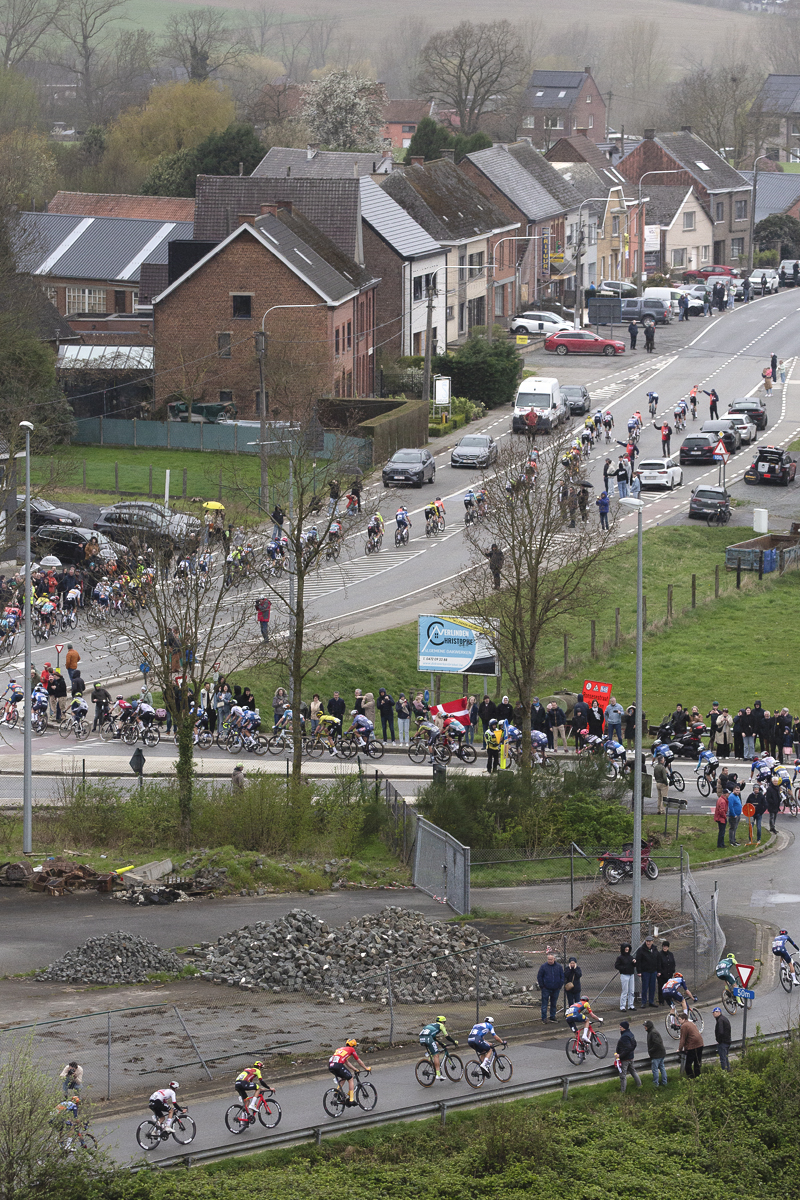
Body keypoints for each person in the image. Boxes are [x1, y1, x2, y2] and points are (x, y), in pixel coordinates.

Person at [328, 1040, 370, 1106]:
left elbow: (347, 1062)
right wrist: (366, 1068)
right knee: (350, 1078)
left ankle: (337, 1092)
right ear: (353, 1045)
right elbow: (358, 1060)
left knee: (343, 1077)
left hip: (331, 1066)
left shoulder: (340, 1049)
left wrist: (355, 1069)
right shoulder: (351, 1049)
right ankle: (351, 1100)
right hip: (338, 1065)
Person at [418, 1015, 458, 1081]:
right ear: (442, 1022)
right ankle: (438, 1074)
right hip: (428, 1038)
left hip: (421, 1038)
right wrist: (454, 1041)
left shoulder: (432, 1025)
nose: (444, 1024)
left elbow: (433, 1038)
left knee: (433, 1050)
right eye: (444, 1022)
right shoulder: (441, 1026)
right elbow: (447, 1036)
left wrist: (441, 1044)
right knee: (436, 1055)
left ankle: (431, 1063)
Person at [537, 951, 565, 1023]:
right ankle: (544, 1018)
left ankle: (552, 1016)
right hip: (546, 988)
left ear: (554, 959)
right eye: (548, 959)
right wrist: (542, 986)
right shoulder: (543, 966)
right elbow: (539, 976)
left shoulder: (558, 967)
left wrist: (560, 985)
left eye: (551, 959)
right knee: (544, 1004)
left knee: (554, 1003)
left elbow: (562, 976)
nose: (550, 961)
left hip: (556, 988)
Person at [615, 1021, 642, 1092]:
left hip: (625, 1059)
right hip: (631, 1057)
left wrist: (620, 1055)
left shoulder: (625, 1037)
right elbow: (634, 1044)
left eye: (620, 1027)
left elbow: (627, 1048)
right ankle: (639, 1085)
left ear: (624, 1028)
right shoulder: (630, 1034)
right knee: (633, 1071)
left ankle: (622, 1091)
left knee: (622, 1076)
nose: (619, 1028)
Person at [635, 935, 659, 1007]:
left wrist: (658, 970)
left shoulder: (655, 949)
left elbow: (658, 960)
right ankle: (644, 1002)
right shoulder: (641, 950)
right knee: (645, 987)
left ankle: (651, 1001)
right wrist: (639, 971)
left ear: (652, 942)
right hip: (645, 971)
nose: (648, 943)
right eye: (647, 941)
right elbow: (638, 961)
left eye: (649, 941)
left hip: (653, 971)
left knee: (652, 987)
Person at [679, 1013, 704, 1078]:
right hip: (700, 1044)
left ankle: (691, 1078)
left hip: (693, 1046)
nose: (679, 1021)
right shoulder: (691, 1023)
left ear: (684, 1019)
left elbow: (682, 1039)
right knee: (697, 1062)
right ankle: (698, 1077)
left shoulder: (684, 1026)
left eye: (680, 1019)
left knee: (688, 1065)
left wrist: (680, 1049)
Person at [643, 1019, 667, 1086]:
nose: (644, 1027)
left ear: (648, 1027)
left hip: (657, 1055)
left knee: (655, 1069)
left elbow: (657, 1044)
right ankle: (664, 1082)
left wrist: (651, 1051)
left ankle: (655, 1083)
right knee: (662, 1068)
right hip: (660, 1053)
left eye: (645, 1026)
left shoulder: (653, 1033)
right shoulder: (652, 1032)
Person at [615, 942, 636, 1011]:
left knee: (632, 991)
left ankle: (631, 1005)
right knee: (625, 991)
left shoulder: (630, 957)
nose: (627, 949)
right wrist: (624, 968)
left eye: (628, 947)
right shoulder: (620, 958)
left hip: (631, 975)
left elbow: (634, 965)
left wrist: (634, 962)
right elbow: (617, 966)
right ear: (623, 949)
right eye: (625, 947)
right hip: (624, 975)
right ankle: (622, 1006)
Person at [711, 1007, 732, 1072]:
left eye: (714, 1012)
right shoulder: (724, 1019)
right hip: (727, 1040)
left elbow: (720, 1032)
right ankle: (728, 1070)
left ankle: (724, 1072)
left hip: (723, 1042)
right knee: (726, 1057)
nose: (713, 1014)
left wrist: (719, 1041)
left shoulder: (720, 1020)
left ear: (718, 1012)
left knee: (723, 1059)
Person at [657, 941, 676, 1006]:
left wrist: (672, 970)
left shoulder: (670, 954)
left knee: (669, 987)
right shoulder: (659, 954)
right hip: (662, 974)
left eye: (666, 946)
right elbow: (658, 964)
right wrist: (659, 971)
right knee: (661, 987)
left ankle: (669, 999)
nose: (665, 948)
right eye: (664, 946)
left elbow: (673, 963)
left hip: (669, 974)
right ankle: (661, 1001)